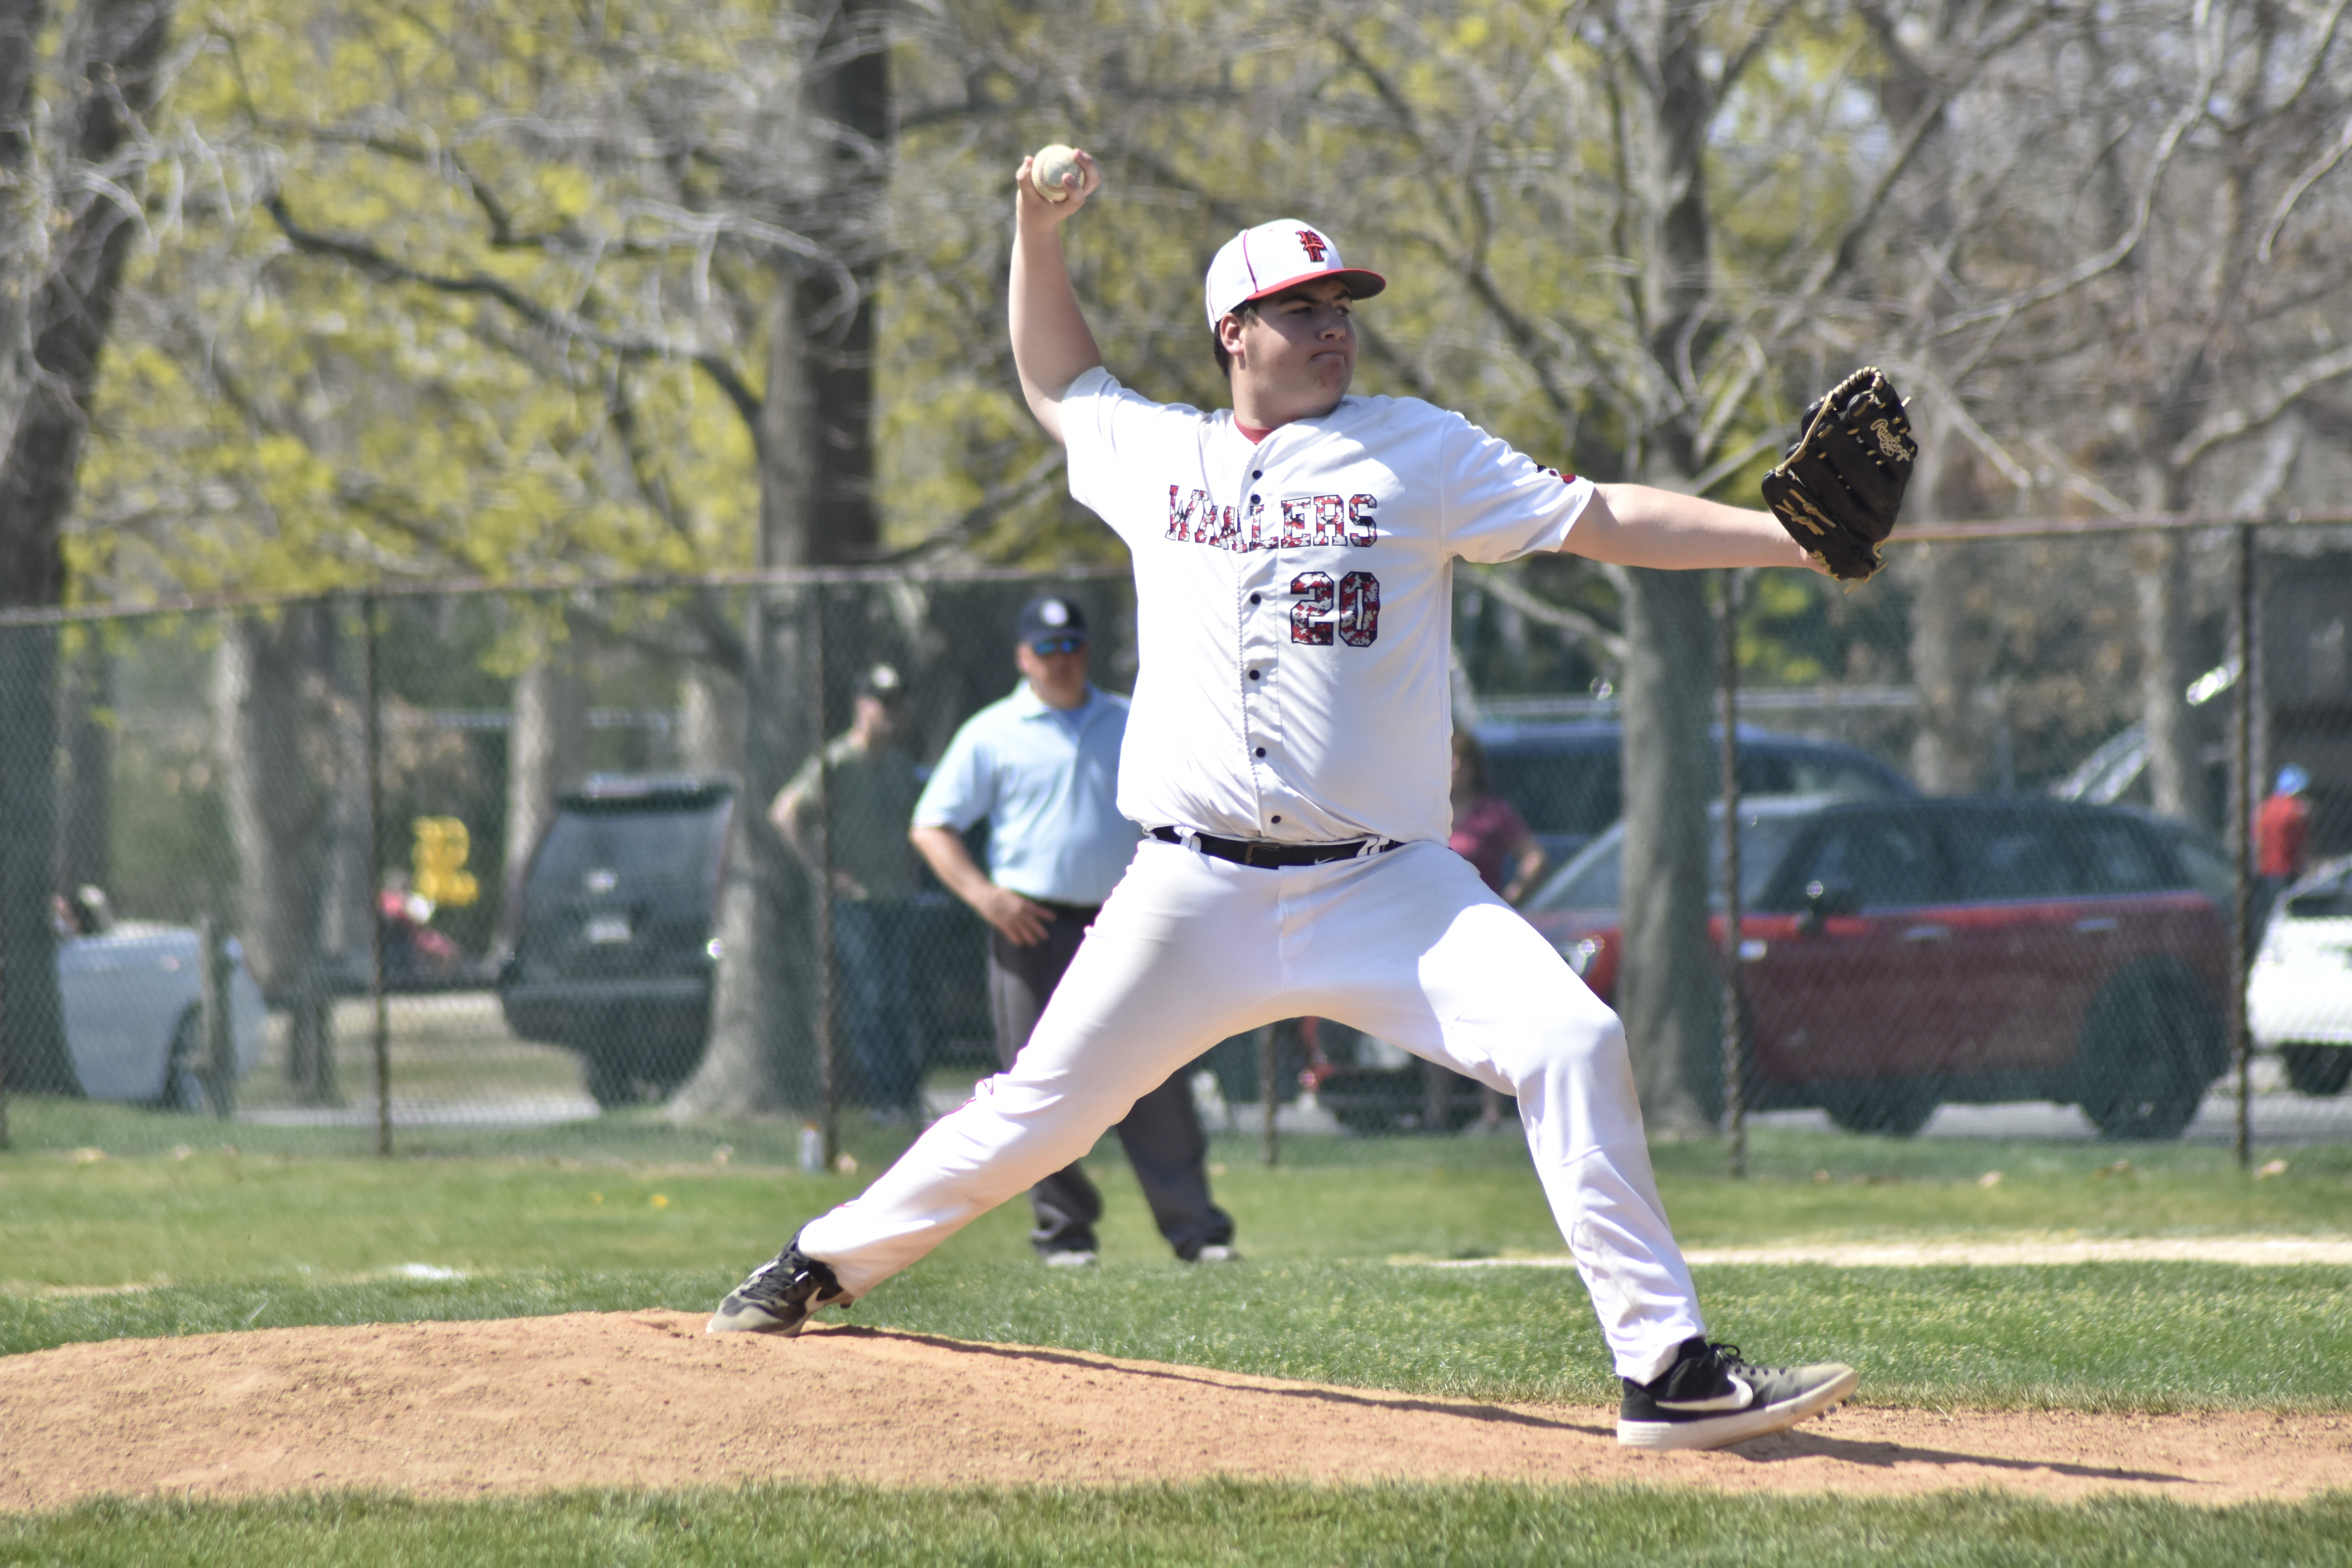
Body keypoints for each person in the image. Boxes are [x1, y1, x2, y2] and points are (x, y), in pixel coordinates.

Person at [710, 151, 1858, 1453]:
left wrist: (1792, 537)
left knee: (1574, 1043)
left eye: (1342, 308)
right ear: (1233, 335)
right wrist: (1035, 226)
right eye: (1301, 309)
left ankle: (1668, 1373)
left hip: (1388, 889)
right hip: (1190, 889)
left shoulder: (1418, 450)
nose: (1331, 328)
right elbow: (1055, 378)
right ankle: (818, 1263)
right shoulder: (1160, 456)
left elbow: (1602, 518)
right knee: (1041, 1111)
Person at [908, 594, 1238, 1267]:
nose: (1063, 662)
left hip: (1126, 927)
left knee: (1156, 1072)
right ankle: (1065, 1234)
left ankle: (1196, 1232)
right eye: (1048, 650)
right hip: (1028, 926)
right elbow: (931, 823)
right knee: (1036, 1080)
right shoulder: (993, 732)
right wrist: (985, 897)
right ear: (1023, 657)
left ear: (1087, 650)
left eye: (1073, 647)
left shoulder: (1129, 721)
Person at [772, 663, 926, 1119]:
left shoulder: (901, 766)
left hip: (897, 896)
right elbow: (785, 812)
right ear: (862, 706)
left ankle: (906, 1095)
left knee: (899, 997)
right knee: (871, 997)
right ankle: (883, 1098)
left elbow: (913, 826)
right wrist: (822, 872)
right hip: (855, 902)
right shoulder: (836, 761)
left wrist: (912, 870)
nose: (890, 713)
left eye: (896, 704)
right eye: (882, 704)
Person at [1447, 728, 1546, 1130]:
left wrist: (1512, 897)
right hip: (1437, 927)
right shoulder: (1425, 811)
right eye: (1448, 759)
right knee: (1439, 1017)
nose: (1454, 769)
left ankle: (1492, 1112)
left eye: (1462, 761)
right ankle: (1439, 1112)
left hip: (1483, 927)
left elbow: (1534, 857)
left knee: (1486, 1017)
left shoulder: (1493, 813)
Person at [2254, 764, 2314, 945]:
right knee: (2290, 912)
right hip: (2288, 868)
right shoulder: (2296, 811)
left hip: (2267, 868)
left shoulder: (2265, 808)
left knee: (2271, 911)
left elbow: (2257, 838)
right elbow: (2301, 843)